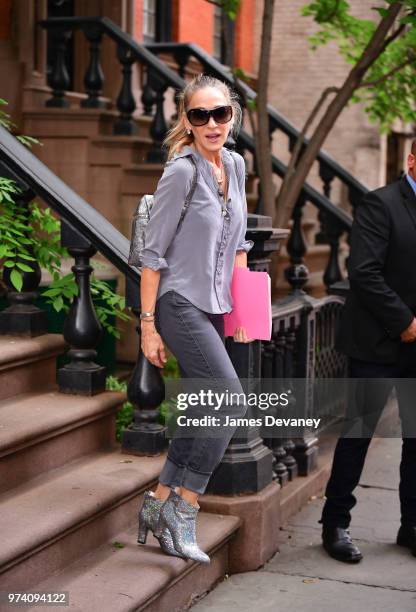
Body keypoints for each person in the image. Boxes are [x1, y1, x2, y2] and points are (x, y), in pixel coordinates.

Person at [133, 75, 255, 564]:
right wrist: (147, 325)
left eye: (220, 113)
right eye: (199, 115)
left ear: (233, 116)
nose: (211, 124)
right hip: (178, 301)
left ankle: (158, 502)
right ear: (186, 120)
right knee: (227, 400)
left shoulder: (236, 165)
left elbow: (241, 245)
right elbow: (152, 254)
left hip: (215, 305)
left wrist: (244, 309)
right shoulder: (181, 172)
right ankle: (186, 507)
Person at [320, 140, 416, 563]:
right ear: (412, 159)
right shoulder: (380, 204)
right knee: (359, 434)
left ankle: (410, 526)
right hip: (377, 344)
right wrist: (405, 322)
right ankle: (334, 523)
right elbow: (364, 272)